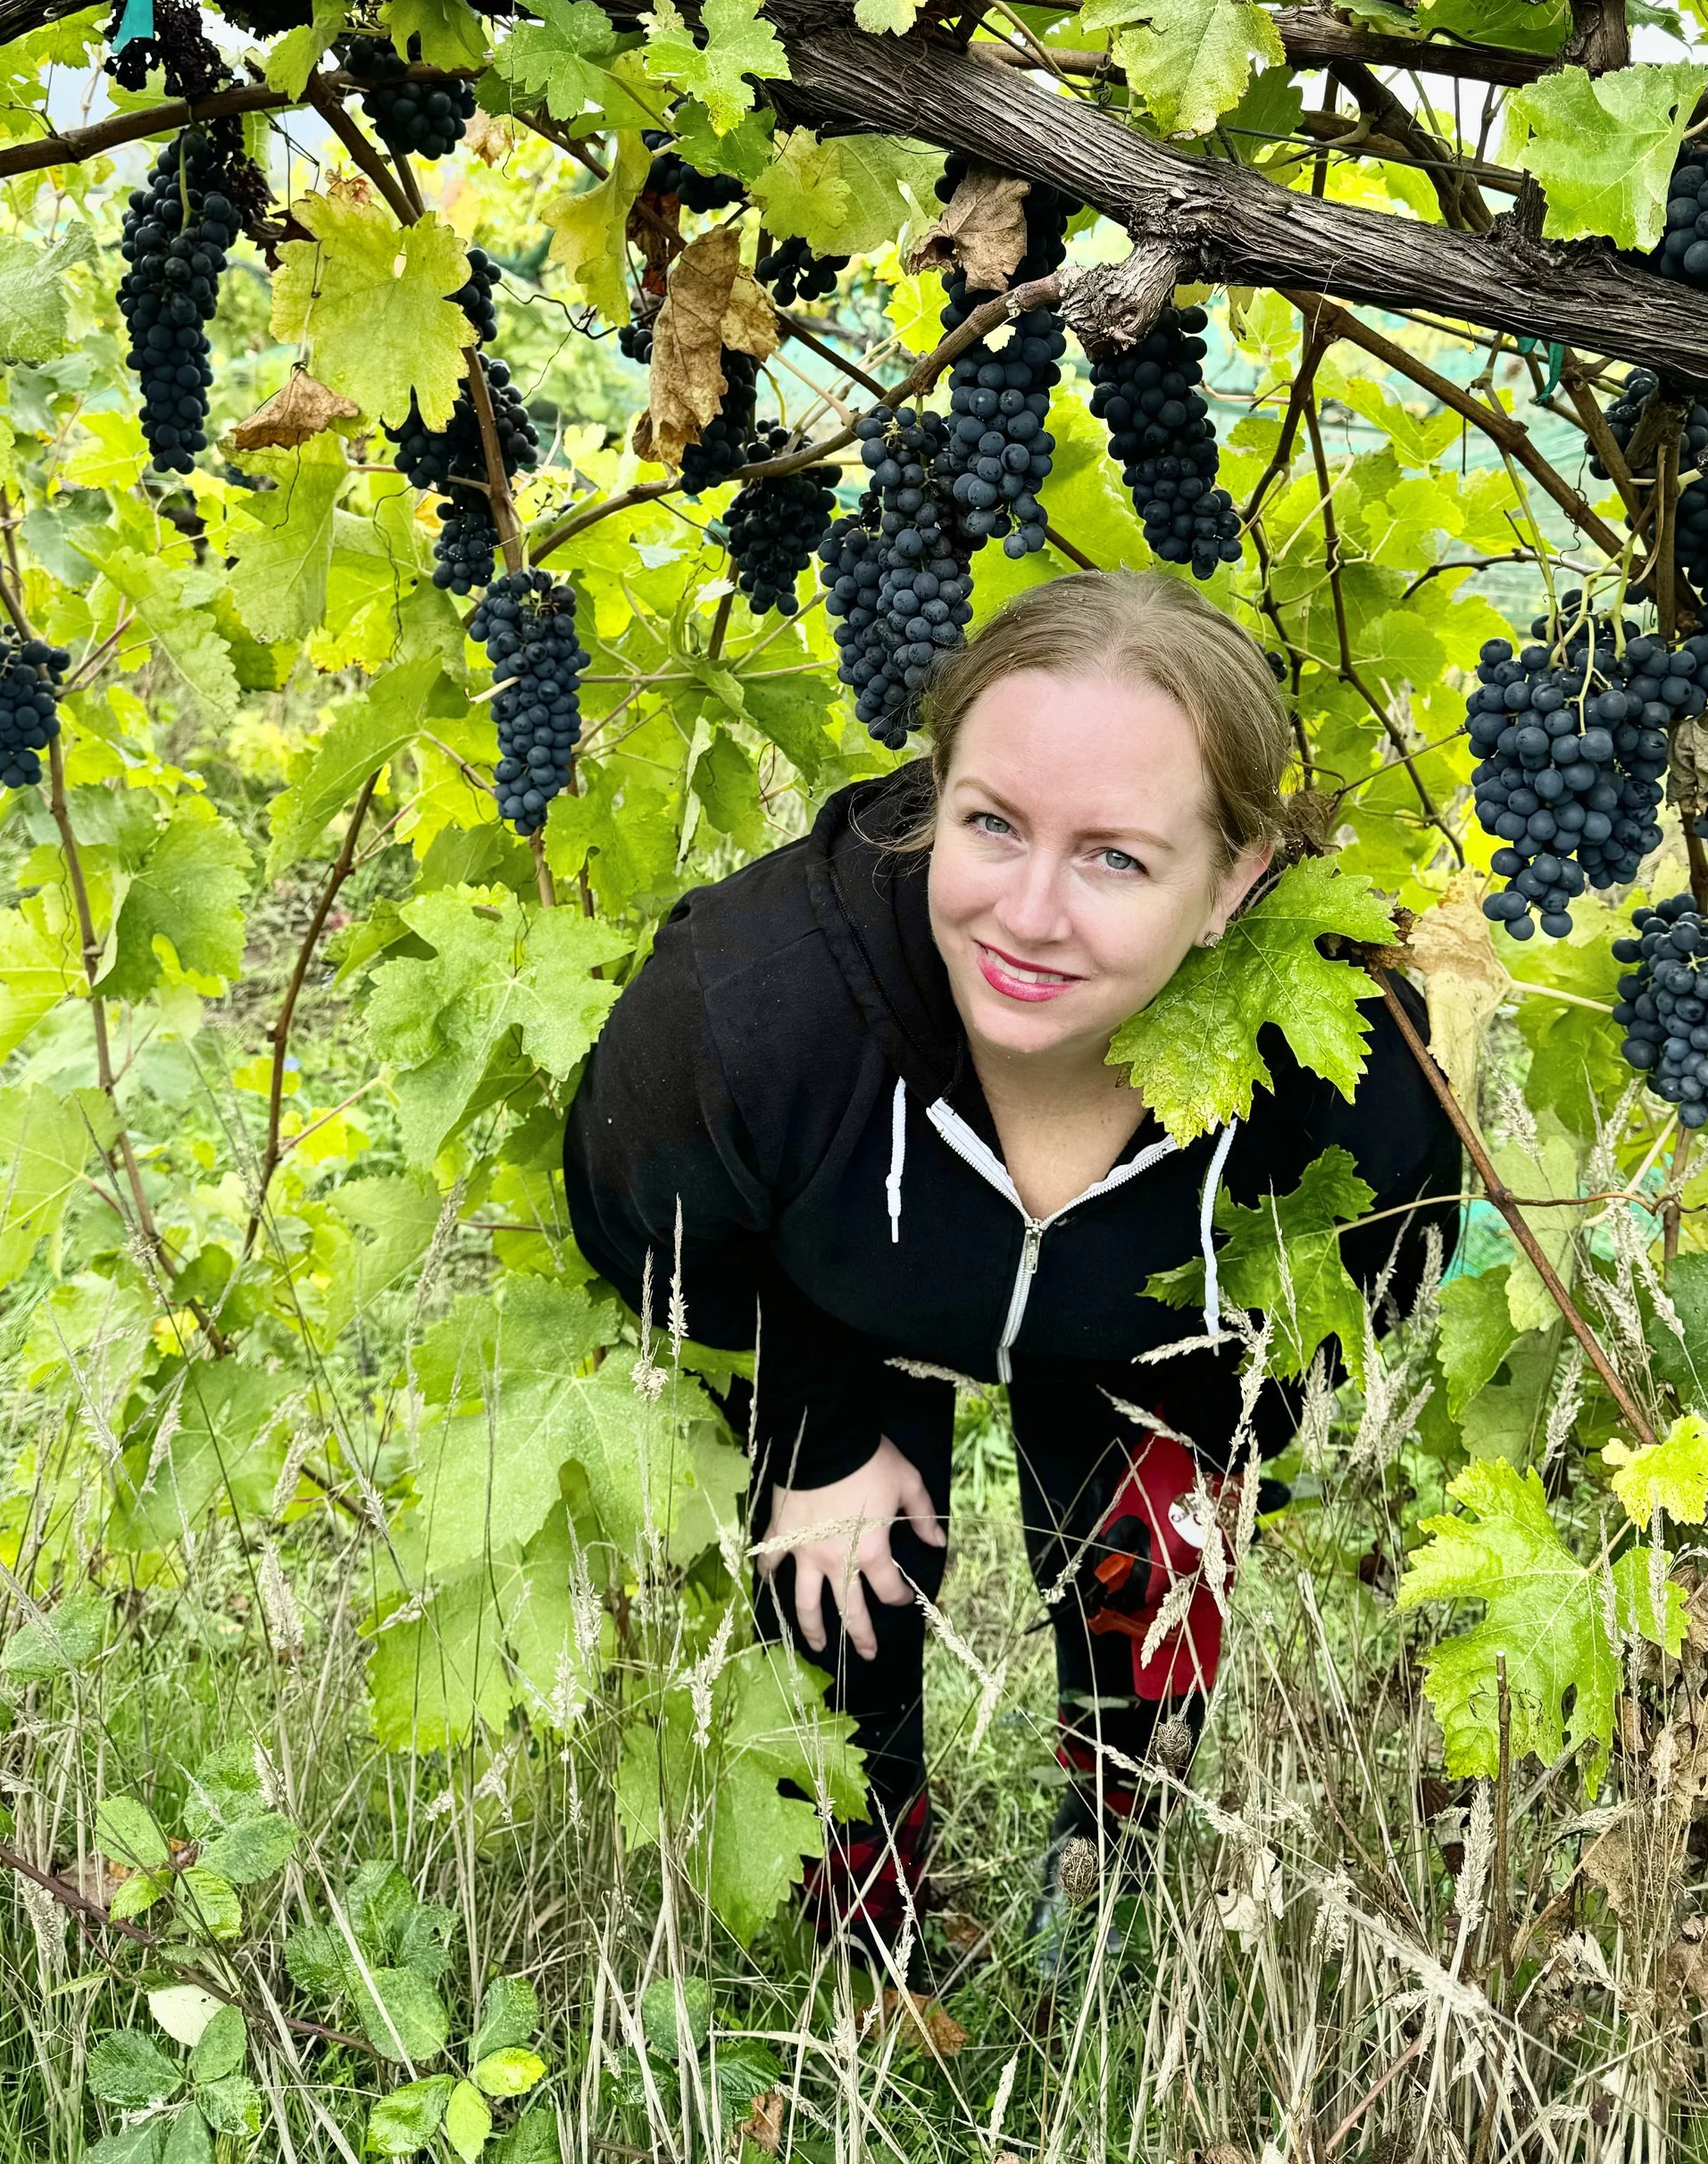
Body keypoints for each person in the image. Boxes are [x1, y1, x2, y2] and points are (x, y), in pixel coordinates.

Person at [562, 572, 1461, 1959]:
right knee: (835, 1565)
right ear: (937, 800)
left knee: (1158, 1539)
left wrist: (1222, 1433)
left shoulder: (1336, 1064)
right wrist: (815, 1425)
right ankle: (865, 1920)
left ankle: (1108, 1868)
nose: (1028, 916)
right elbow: (645, 1227)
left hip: (1151, 1337)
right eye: (992, 825)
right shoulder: (756, 1008)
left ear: (1234, 881)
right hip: (849, 1299)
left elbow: (1380, 1266)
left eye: (1115, 857)